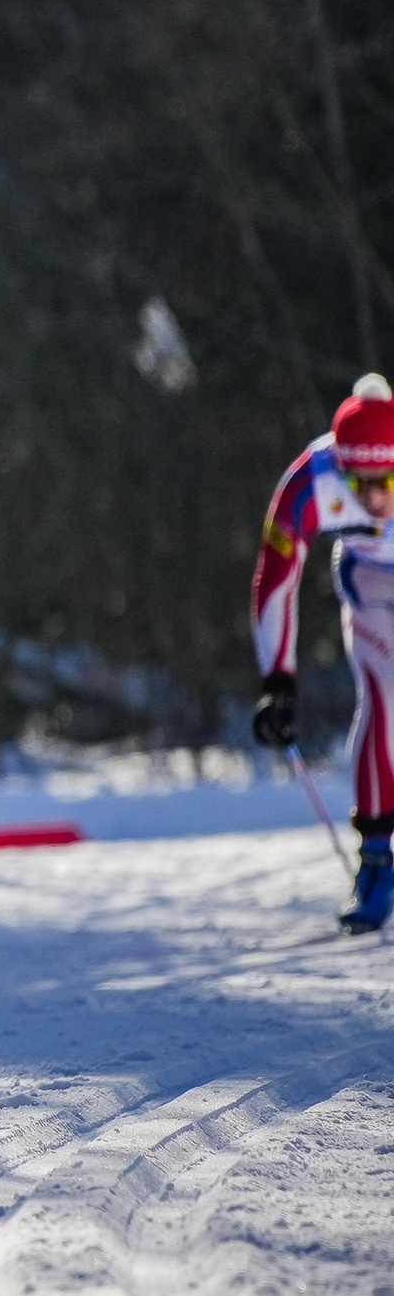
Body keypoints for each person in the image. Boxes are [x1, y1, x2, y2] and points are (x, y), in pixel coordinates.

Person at [250, 372, 394, 933]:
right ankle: (379, 856)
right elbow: (275, 578)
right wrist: (277, 682)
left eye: (386, 480)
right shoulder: (311, 479)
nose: (375, 498)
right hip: (369, 577)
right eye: (360, 483)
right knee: (386, 690)